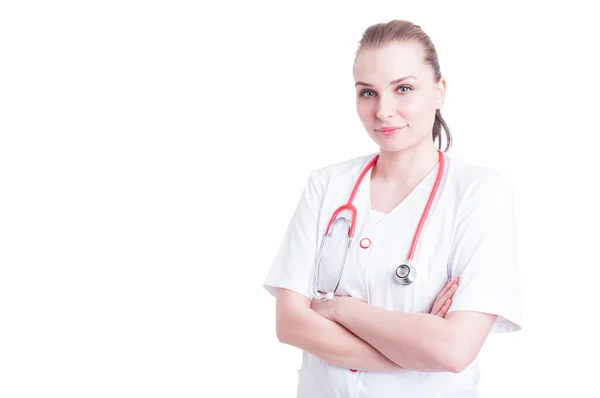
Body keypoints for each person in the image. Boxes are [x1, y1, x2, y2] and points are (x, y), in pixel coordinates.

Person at [263, 19, 522, 398]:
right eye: (368, 93)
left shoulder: (481, 192)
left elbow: (453, 350)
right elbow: (290, 324)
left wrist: (339, 310)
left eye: (403, 89)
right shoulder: (326, 185)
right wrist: (415, 350)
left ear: (439, 91)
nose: (384, 111)